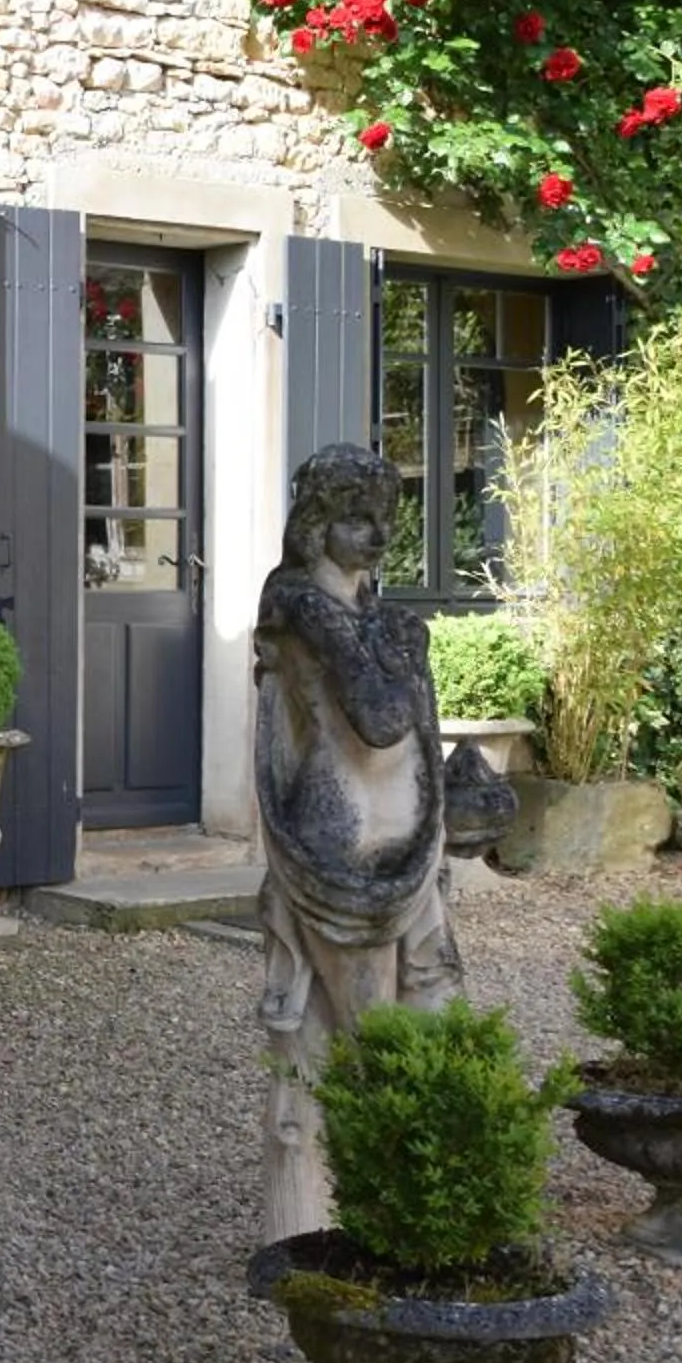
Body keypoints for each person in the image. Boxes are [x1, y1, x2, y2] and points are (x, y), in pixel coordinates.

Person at [253, 445, 463, 1242]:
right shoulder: (301, 602)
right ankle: (382, 1217)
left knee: (429, 1018)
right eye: (355, 519)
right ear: (315, 525)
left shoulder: (370, 610)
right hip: (344, 850)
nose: (376, 536)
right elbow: (380, 718)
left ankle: (400, 1209)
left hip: (401, 845)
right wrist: (407, 645)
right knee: (373, 1048)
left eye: (384, 520)